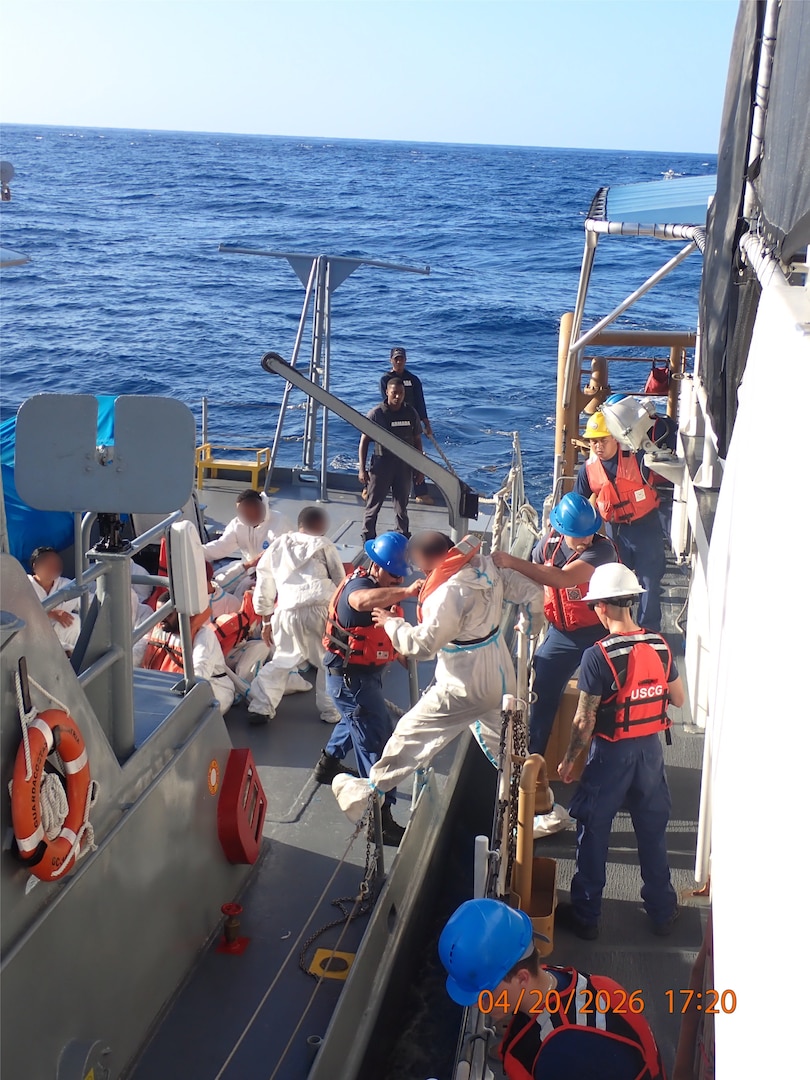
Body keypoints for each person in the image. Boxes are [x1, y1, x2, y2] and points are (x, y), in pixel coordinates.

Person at [331, 531, 544, 824]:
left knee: (411, 732)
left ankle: (370, 791)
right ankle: (539, 808)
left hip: (465, 680)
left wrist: (393, 624)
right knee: (507, 746)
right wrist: (530, 626)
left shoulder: (448, 594)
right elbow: (534, 594)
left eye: (418, 562)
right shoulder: (485, 566)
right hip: (500, 668)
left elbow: (422, 647)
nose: (418, 570)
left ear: (429, 558)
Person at [555, 562, 684, 940]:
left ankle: (587, 914)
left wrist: (567, 760)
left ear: (603, 607)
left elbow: (584, 720)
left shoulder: (598, 656)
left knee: (594, 830)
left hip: (611, 755)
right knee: (651, 830)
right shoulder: (660, 645)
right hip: (650, 753)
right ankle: (662, 910)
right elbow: (676, 698)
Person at [438, 899, 665, 1080]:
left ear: (522, 978)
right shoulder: (558, 979)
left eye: (485, 994)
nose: (479, 1004)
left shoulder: (563, 1055)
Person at [315, 532, 421, 846]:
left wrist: (405, 652)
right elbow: (360, 602)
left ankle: (328, 765)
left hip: (364, 677)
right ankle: (380, 818)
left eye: (401, 575)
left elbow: (384, 635)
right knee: (375, 740)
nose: (397, 579)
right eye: (393, 573)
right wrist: (406, 590)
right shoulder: (361, 589)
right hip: (352, 681)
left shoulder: (380, 589)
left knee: (353, 723)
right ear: (377, 567)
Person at [492, 493, 618, 755]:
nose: (586, 539)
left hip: (598, 632)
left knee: (602, 699)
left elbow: (562, 579)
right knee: (541, 689)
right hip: (561, 633)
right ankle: (533, 757)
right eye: (579, 534)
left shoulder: (603, 550)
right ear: (561, 530)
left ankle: (598, 761)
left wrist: (511, 561)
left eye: (589, 533)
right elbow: (537, 574)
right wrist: (529, 614)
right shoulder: (549, 543)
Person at [247, 506, 345, 725]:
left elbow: (264, 584)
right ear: (322, 526)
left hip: (288, 609)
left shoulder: (277, 546)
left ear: (300, 523)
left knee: (283, 658)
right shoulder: (325, 545)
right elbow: (340, 581)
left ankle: (261, 706)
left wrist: (265, 620)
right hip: (320, 607)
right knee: (329, 661)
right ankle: (330, 711)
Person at [575, 410, 666, 632]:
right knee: (615, 584)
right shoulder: (588, 470)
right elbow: (576, 504)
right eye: (592, 441)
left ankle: (649, 631)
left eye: (602, 440)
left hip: (646, 528)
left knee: (650, 582)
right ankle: (619, 629)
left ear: (615, 438)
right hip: (616, 533)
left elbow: (662, 433)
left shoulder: (637, 457)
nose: (597, 446)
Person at [359, 378, 424, 542]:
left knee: (402, 507)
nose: (398, 396)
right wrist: (362, 469)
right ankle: (368, 537)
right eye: (394, 392)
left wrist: (419, 469)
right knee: (373, 505)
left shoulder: (411, 413)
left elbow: (417, 441)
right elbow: (364, 441)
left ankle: (402, 539)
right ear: (387, 392)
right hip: (382, 465)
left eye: (401, 393)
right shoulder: (376, 414)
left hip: (403, 466)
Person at [141, 602, 235, 715]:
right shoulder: (160, 629)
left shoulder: (204, 636)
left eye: (168, 615)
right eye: (160, 614)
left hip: (213, 689)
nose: (163, 619)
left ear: (179, 614)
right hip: (167, 687)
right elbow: (138, 653)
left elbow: (200, 673)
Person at [203, 489, 292, 594]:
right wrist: (194, 552)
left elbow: (285, 557)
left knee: (248, 591)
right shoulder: (238, 525)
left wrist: (262, 572)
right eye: (241, 512)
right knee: (215, 583)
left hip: (272, 574)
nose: (243, 516)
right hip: (248, 568)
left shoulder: (279, 522)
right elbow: (220, 547)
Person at [380, 346, 433, 504]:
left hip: (411, 423)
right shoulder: (385, 379)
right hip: (391, 423)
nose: (399, 361)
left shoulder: (414, 379)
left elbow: (420, 402)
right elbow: (386, 401)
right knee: (385, 457)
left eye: (401, 358)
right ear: (391, 360)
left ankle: (420, 492)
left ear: (405, 360)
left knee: (416, 454)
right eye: (396, 358)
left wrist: (426, 423)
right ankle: (369, 488)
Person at [28, 546, 81, 655]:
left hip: (61, 637)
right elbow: (17, 611)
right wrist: (51, 613)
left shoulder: (66, 585)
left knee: (75, 621)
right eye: (49, 564)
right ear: (35, 566)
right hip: (31, 638)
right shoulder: (23, 584)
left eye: (56, 564)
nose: (53, 567)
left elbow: (89, 601)